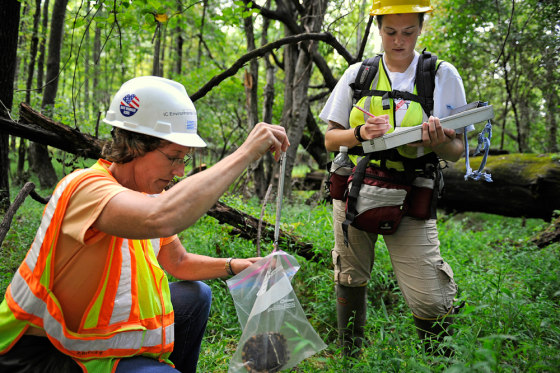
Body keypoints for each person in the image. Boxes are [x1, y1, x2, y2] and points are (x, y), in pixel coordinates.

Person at [0, 76, 290, 372]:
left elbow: (178, 262)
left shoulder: (145, 194)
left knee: (196, 295)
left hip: (88, 340)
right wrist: (245, 153)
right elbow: (162, 216)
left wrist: (237, 265)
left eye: (185, 159)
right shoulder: (86, 188)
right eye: (174, 158)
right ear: (135, 145)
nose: (179, 171)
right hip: (40, 351)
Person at [320, 0, 469, 358]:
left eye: (408, 32)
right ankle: (349, 356)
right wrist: (359, 133)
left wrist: (441, 141)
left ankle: (438, 361)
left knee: (430, 295)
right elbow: (330, 139)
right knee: (349, 274)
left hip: (412, 190)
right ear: (378, 28)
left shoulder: (441, 74)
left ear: (421, 28)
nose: (399, 41)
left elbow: (458, 150)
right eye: (390, 32)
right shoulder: (360, 74)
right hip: (356, 188)